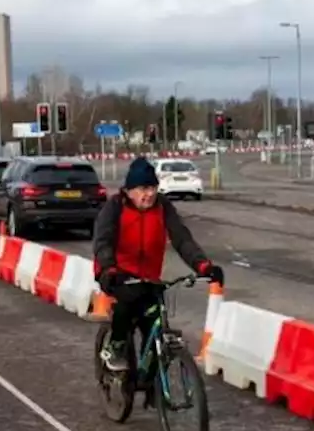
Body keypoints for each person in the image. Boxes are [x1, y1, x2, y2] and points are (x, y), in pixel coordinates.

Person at [93, 156, 224, 374]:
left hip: (149, 276)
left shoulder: (163, 207)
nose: (150, 194)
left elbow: (182, 239)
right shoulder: (115, 207)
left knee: (153, 325)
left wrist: (203, 265)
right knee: (125, 306)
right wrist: (108, 269)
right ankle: (115, 348)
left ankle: (150, 381)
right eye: (144, 188)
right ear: (129, 190)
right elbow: (102, 241)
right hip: (117, 272)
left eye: (153, 187)